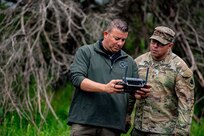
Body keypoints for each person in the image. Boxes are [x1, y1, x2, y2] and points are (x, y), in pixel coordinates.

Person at [67, 19, 150, 136]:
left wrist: (139, 94)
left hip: (112, 125)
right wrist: (105, 88)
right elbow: (77, 79)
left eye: (123, 40)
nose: (120, 43)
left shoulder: (129, 61)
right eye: (117, 39)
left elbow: (132, 94)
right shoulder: (86, 52)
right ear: (106, 34)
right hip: (84, 122)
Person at [131, 26, 195, 136]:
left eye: (160, 44)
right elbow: (130, 94)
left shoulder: (180, 68)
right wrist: (127, 118)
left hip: (164, 130)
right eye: (153, 41)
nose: (154, 46)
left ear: (170, 46)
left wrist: (181, 131)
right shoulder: (139, 62)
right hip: (139, 128)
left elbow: (186, 103)